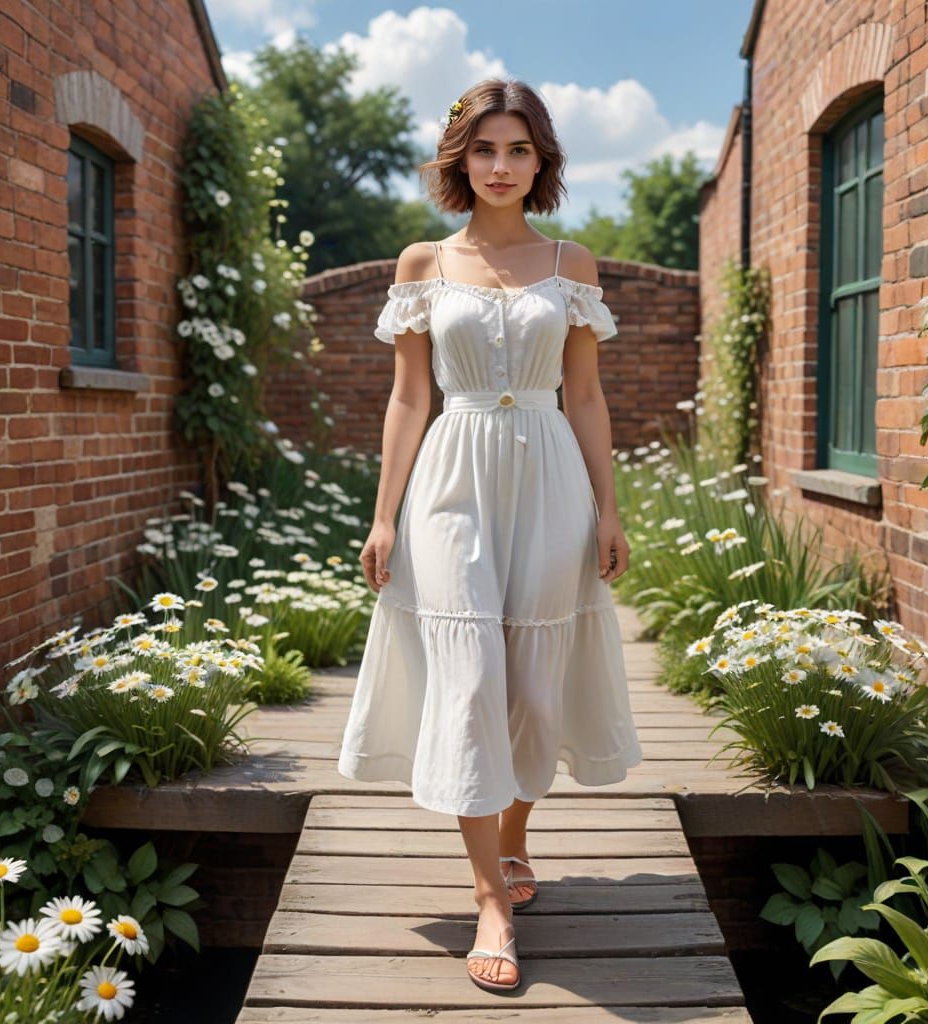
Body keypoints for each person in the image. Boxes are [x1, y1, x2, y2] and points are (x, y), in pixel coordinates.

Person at [337, 77, 643, 994]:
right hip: (452, 480)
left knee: (534, 688)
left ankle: (513, 840)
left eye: (517, 149)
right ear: (459, 159)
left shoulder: (572, 263)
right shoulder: (423, 263)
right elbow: (408, 398)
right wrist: (383, 515)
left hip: (550, 476)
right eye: (484, 149)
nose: (500, 166)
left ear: (541, 160)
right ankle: (489, 900)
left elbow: (585, 395)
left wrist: (610, 507)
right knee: (468, 677)